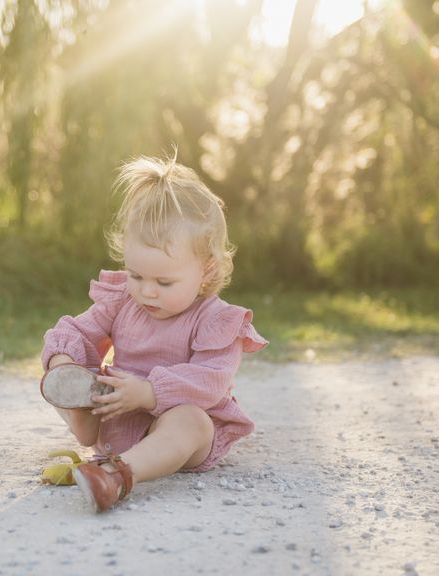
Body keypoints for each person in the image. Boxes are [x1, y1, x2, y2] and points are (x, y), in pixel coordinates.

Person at [40, 153, 268, 513]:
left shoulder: (215, 320)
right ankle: (81, 415)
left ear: (206, 270)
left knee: (193, 421)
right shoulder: (122, 302)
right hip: (117, 421)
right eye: (136, 275)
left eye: (164, 281)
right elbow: (74, 329)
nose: (146, 291)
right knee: (62, 366)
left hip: (177, 428)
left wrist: (149, 393)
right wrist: (64, 362)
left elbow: (210, 381)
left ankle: (116, 477)